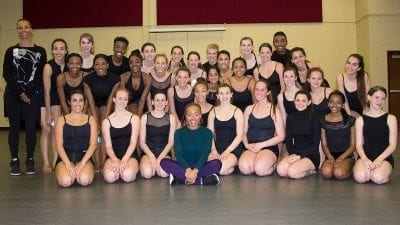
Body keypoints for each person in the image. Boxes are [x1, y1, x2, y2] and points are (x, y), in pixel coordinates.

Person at [3, 19, 47, 175]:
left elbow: (40, 74)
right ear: (17, 30)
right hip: (13, 95)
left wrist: (28, 92)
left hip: (32, 95)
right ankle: (14, 160)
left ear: (31, 29)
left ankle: (30, 160)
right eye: (20, 27)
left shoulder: (40, 51)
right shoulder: (10, 51)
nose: (23, 30)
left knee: (30, 128)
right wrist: (21, 92)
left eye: (26, 27)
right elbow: (6, 74)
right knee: (14, 128)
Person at [160, 103, 222, 185]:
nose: (193, 118)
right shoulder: (178, 133)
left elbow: (205, 154)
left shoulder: (207, 133)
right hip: (183, 165)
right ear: (186, 116)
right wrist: (188, 170)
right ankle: (201, 180)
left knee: (217, 163)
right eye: (189, 115)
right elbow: (179, 155)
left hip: (201, 165)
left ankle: (181, 180)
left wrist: (195, 171)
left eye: (196, 115)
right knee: (164, 162)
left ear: (200, 116)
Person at [239, 80, 285, 176]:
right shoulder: (249, 109)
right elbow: (243, 132)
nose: (259, 92)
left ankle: (273, 165)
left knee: (259, 169)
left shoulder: (274, 110)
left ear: (268, 92)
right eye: (257, 89)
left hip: (268, 147)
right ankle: (258, 161)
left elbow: (281, 136)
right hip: (251, 147)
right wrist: (247, 145)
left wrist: (261, 145)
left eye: (262, 90)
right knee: (244, 168)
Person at [83, 54, 121, 170]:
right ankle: (96, 162)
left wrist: (104, 120)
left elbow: (110, 99)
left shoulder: (115, 79)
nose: (100, 66)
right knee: (95, 131)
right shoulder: (87, 79)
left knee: (104, 132)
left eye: (103, 64)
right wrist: (96, 120)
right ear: (93, 66)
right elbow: (90, 100)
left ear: (107, 65)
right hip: (93, 104)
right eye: (97, 64)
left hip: (106, 104)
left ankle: (104, 161)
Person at [353, 86, 397, 184]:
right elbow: (359, 144)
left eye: (383, 99)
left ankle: (382, 171)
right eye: (377, 97)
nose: (380, 101)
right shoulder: (360, 120)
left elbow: (392, 145)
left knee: (377, 178)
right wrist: (365, 159)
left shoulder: (391, 118)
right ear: (369, 97)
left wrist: (379, 160)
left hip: (384, 157)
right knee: (360, 177)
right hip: (365, 156)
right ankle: (368, 170)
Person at [54, 90, 97, 187]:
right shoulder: (61, 120)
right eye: (74, 100)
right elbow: (59, 145)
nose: (78, 103)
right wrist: (68, 164)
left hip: (84, 158)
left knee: (84, 180)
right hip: (65, 158)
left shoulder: (91, 120)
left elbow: (93, 144)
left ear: (84, 102)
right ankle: (64, 170)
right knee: (66, 181)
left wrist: (82, 163)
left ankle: (81, 171)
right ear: (69, 102)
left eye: (81, 100)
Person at [277, 90, 321, 179]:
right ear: (294, 101)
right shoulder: (290, 117)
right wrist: (292, 154)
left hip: (310, 155)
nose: (300, 103)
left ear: (309, 102)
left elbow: (315, 144)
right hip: (295, 153)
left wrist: (300, 156)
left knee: (292, 173)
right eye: (298, 100)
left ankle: (311, 171)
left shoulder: (315, 118)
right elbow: (288, 140)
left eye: (304, 101)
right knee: (281, 170)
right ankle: (297, 166)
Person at [40, 38, 68, 173]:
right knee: (47, 131)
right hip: (47, 102)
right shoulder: (48, 66)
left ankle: (56, 161)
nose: (58, 51)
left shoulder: (68, 65)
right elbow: (46, 91)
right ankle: (46, 163)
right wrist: (48, 112)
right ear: (52, 51)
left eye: (61, 48)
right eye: (56, 48)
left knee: (56, 132)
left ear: (66, 50)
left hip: (60, 103)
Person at [102, 88, 140, 183]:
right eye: (120, 98)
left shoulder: (134, 118)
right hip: (113, 155)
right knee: (110, 178)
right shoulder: (106, 122)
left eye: (125, 99)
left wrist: (124, 160)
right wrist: (115, 160)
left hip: (130, 155)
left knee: (127, 176)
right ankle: (118, 170)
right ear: (114, 99)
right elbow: (108, 146)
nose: (122, 102)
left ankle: (128, 169)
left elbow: (133, 143)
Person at [207, 84, 244, 175]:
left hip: (233, 149)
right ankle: (230, 168)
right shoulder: (213, 112)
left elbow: (240, 136)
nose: (224, 96)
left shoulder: (237, 112)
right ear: (217, 96)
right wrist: (213, 150)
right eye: (221, 93)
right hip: (217, 148)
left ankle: (230, 164)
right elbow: (210, 133)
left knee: (218, 168)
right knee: (207, 165)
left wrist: (227, 151)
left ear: (231, 94)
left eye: (227, 93)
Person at [140, 91, 176, 179]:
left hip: (164, 152)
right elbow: (142, 142)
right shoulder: (145, 117)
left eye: (163, 100)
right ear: (152, 102)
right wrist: (152, 157)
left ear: (166, 102)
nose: (160, 103)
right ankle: (148, 165)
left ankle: (158, 166)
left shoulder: (171, 118)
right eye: (157, 100)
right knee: (147, 173)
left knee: (164, 173)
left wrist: (160, 158)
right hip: (148, 152)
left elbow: (171, 142)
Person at [320, 91, 355, 180]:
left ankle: (350, 169)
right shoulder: (323, 120)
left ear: (343, 105)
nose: (334, 105)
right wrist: (330, 157)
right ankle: (334, 167)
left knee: (338, 174)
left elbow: (353, 145)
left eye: (338, 102)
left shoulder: (350, 120)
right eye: (332, 101)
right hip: (330, 155)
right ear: (328, 103)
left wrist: (341, 158)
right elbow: (324, 144)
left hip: (346, 155)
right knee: (327, 173)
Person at [119, 49, 152, 116]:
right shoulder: (123, 77)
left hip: (142, 105)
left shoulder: (147, 78)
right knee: (132, 107)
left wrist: (138, 118)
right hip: (126, 104)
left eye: (137, 62)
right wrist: (127, 116)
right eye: (131, 62)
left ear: (142, 63)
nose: (134, 64)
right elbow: (123, 100)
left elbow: (142, 101)